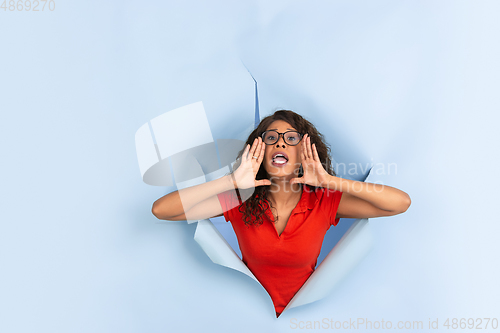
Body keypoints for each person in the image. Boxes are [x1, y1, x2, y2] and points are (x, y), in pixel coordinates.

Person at [152, 110, 411, 318]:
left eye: (291, 139)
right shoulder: (240, 200)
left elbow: (399, 203)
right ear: (260, 152)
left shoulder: (324, 201)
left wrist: (329, 180)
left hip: (307, 318)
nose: (280, 143)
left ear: (303, 154)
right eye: (271, 138)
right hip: (244, 318)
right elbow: (162, 210)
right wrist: (230, 181)